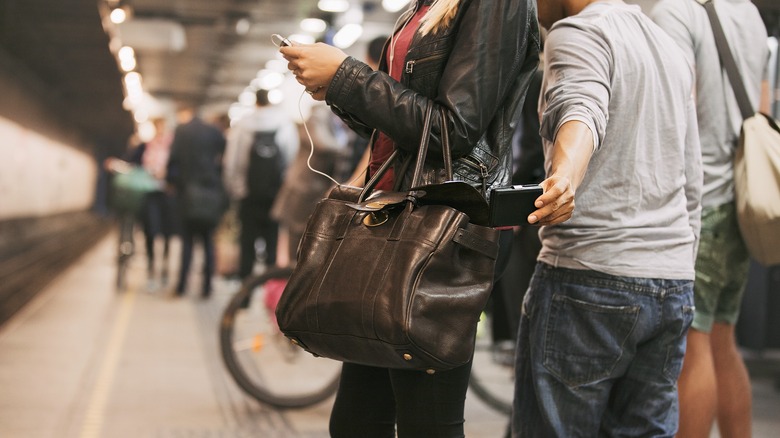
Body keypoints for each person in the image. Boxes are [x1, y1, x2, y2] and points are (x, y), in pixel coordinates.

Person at [279, 0, 540, 436]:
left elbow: (452, 131)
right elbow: (402, 132)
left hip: (447, 228)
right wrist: (339, 90)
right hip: (400, 215)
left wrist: (347, 78)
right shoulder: (424, 6)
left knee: (425, 424)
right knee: (357, 423)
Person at [510, 0, 703, 436]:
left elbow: (580, 107)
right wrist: (681, 266)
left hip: (589, 279)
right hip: (672, 284)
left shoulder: (577, 33)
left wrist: (564, 176)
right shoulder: (670, 46)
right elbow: (692, 175)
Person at [651, 1, 770, 437]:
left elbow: (677, 112)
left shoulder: (676, 13)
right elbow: (762, 105)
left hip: (701, 203)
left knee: (692, 349)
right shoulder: (749, 13)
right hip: (741, 200)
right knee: (723, 340)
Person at [223, 89, 299, 279]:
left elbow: (232, 161)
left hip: (248, 194)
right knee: (272, 242)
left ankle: (245, 293)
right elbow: (292, 158)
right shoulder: (284, 124)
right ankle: (268, 289)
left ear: (255, 102)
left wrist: (235, 189)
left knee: (247, 242)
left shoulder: (242, 125)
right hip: (275, 194)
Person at [270, 100, 350, 266]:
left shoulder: (333, 118)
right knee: (297, 236)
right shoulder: (317, 117)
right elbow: (322, 145)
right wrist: (348, 147)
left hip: (315, 188)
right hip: (303, 188)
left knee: (308, 236)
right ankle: (292, 279)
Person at [166, 104, 228, 298]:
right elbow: (224, 158)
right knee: (208, 241)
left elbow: (173, 161)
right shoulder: (215, 133)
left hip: (187, 193)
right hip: (210, 193)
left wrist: (172, 183)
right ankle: (207, 288)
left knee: (187, 242)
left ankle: (182, 286)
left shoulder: (181, 131)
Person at [127, 117, 175, 290]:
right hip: (149, 194)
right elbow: (132, 163)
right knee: (150, 232)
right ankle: (151, 269)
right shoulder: (144, 145)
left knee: (168, 234)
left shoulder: (172, 147)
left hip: (167, 194)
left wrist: (169, 177)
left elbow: (177, 167)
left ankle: (164, 269)